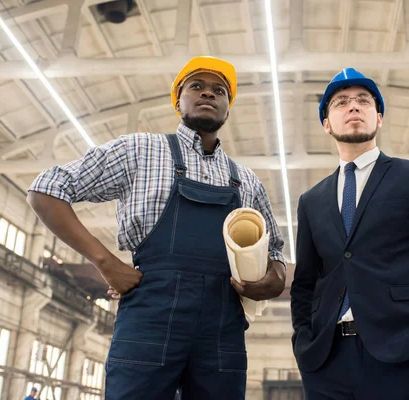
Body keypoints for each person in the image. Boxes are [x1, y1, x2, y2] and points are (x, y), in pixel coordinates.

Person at [27, 56, 286, 399]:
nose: (208, 93)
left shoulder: (247, 181)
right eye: (197, 86)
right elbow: (46, 189)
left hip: (222, 326)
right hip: (149, 316)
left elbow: (276, 251)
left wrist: (275, 279)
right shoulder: (139, 151)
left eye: (219, 90)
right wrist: (106, 263)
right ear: (178, 99)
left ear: (228, 106)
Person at [290, 68, 409, 399]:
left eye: (363, 100)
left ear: (379, 118)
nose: (353, 107)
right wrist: (304, 344)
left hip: (406, 358)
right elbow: (304, 283)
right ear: (326, 123)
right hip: (327, 365)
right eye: (341, 102)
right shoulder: (311, 201)